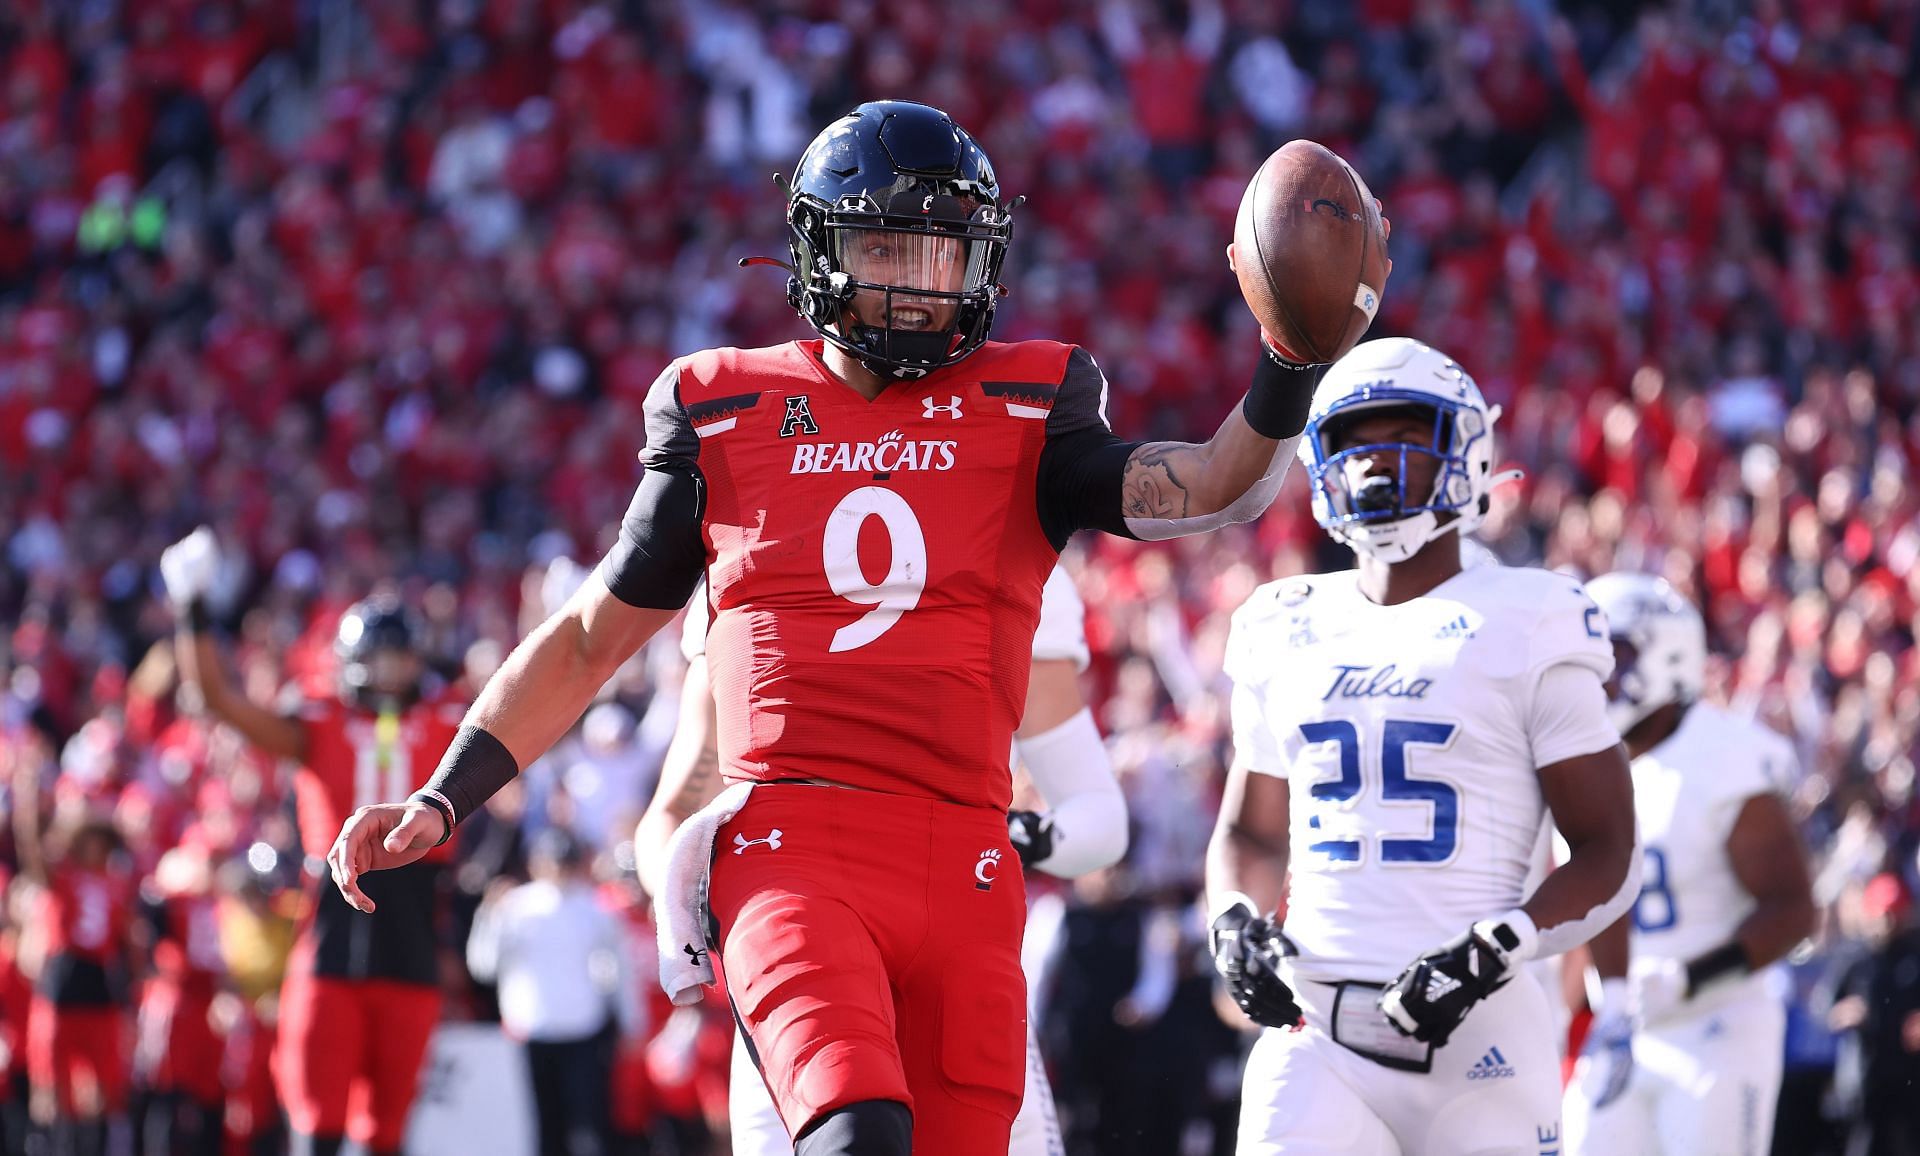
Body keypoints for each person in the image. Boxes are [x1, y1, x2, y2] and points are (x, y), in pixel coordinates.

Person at [328, 98, 1365, 1156]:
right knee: (851, 1136)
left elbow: (1212, 484)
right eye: (887, 247)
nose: (918, 283)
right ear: (821, 249)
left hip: (968, 858)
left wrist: (1287, 363)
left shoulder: (1034, 403)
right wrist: (443, 795)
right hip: (794, 846)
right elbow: (593, 634)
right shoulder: (719, 409)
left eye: (939, 253)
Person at [1204, 336, 1640, 1155]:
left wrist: (1496, 946)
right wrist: (1232, 917)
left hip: (1481, 1034)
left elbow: (1610, 851)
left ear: (1467, 452)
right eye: (1356, 442)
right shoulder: (1280, 621)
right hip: (1317, 1033)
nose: (1376, 464)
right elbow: (1252, 833)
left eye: (1406, 438)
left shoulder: (1531, 614)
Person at [636, 564, 1125, 1156]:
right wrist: (714, 914)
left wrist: (1001, 837)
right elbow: (675, 809)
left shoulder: (1013, 553)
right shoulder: (746, 555)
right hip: (802, 957)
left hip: (950, 960)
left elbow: (1100, 819)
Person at [161, 530, 465, 1156]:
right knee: (316, 1127)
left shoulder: (444, 721)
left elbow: (531, 734)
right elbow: (216, 699)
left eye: (397, 660)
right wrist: (191, 609)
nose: (387, 675)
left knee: (386, 1134)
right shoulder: (317, 720)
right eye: (376, 661)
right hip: (330, 936)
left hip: (410, 939)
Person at [1563, 572, 1815, 1156]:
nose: (1597, 678)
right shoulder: (1581, 762)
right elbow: (1588, 909)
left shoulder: (1722, 757)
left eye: (1614, 657)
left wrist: (1690, 978)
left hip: (1719, 1022)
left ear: (1668, 655)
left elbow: (1794, 910)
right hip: (1626, 1027)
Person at [466, 827, 638, 1156]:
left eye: (565, 863)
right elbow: (484, 966)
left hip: (583, 1028)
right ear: (536, 864)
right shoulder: (514, 907)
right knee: (544, 1129)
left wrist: (631, 1020)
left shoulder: (594, 909)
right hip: (532, 1030)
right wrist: (489, 916)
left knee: (589, 1128)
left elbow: (620, 970)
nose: (559, 871)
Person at [6, 736, 136, 1156]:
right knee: (55, 1092)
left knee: (103, 1094)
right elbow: (30, 851)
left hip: (99, 985)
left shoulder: (116, 886)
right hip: (62, 981)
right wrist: (27, 801)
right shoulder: (62, 879)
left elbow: (128, 942)